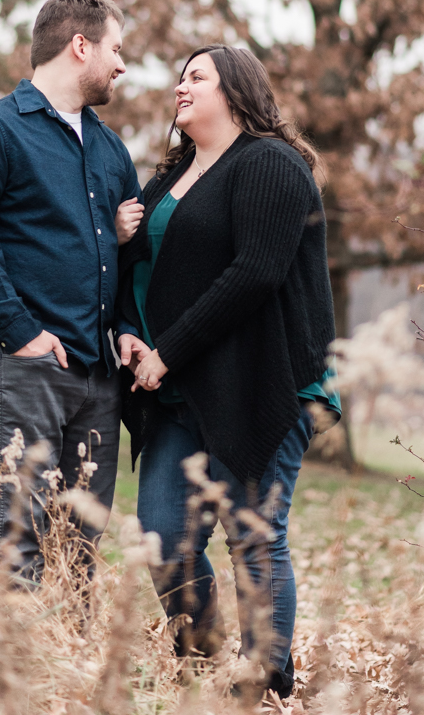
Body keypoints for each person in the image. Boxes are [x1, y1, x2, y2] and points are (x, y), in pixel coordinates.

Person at [118, 44, 340, 701]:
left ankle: (264, 686)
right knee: (164, 535)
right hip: (181, 392)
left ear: (234, 90)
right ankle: (204, 660)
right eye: (179, 77)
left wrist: (169, 350)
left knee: (254, 537)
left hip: (262, 383)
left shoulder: (271, 165)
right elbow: (140, 271)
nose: (179, 87)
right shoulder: (171, 175)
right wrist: (130, 330)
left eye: (196, 77)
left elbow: (255, 273)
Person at [0, 0, 149, 581]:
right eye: (115, 48)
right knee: (15, 534)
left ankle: (69, 669)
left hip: (96, 371)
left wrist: (128, 330)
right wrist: (23, 334)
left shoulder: (111, 150)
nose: (122, 64)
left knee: (78, 542)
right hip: (20, 358)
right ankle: (16, 671)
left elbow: (127, 257)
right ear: (79, 46)